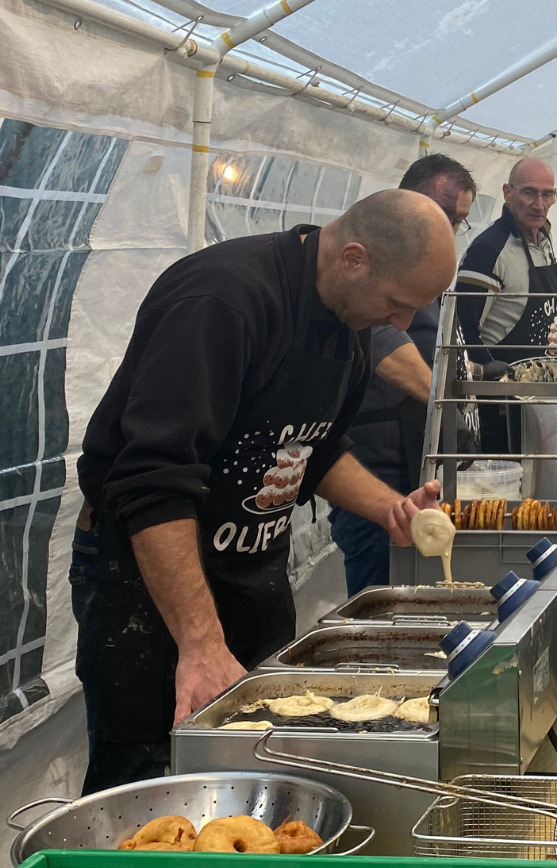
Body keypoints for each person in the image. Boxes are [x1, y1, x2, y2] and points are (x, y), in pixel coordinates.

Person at [72, 189, 453, 792]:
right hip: (148, 580)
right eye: (398, 304)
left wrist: (391, 510)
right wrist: (198, 643)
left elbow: (311, 448)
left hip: (251, 573)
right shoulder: (223, 300)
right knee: (148, 770)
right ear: (354, 258)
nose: (402, 325)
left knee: (264, 755)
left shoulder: (348, 319)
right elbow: (155, 481)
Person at [329, 154, 476, 594]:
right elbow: (380, 338)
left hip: (410, 472)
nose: (447, 229)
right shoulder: (380, 262)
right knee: (380, 596)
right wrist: (445, 397)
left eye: (458, 221)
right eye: (444, 214)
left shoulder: (423, 264)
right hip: (375, 471)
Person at [455, 156, 557, 453]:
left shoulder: (543, 239)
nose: (539, 204)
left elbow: (528, 304)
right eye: (529, 192)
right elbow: (462, 328)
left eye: (547, 194)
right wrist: (496, 382)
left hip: (537, 397)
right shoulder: (488, 250)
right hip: (499, 405)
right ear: (508, 193)